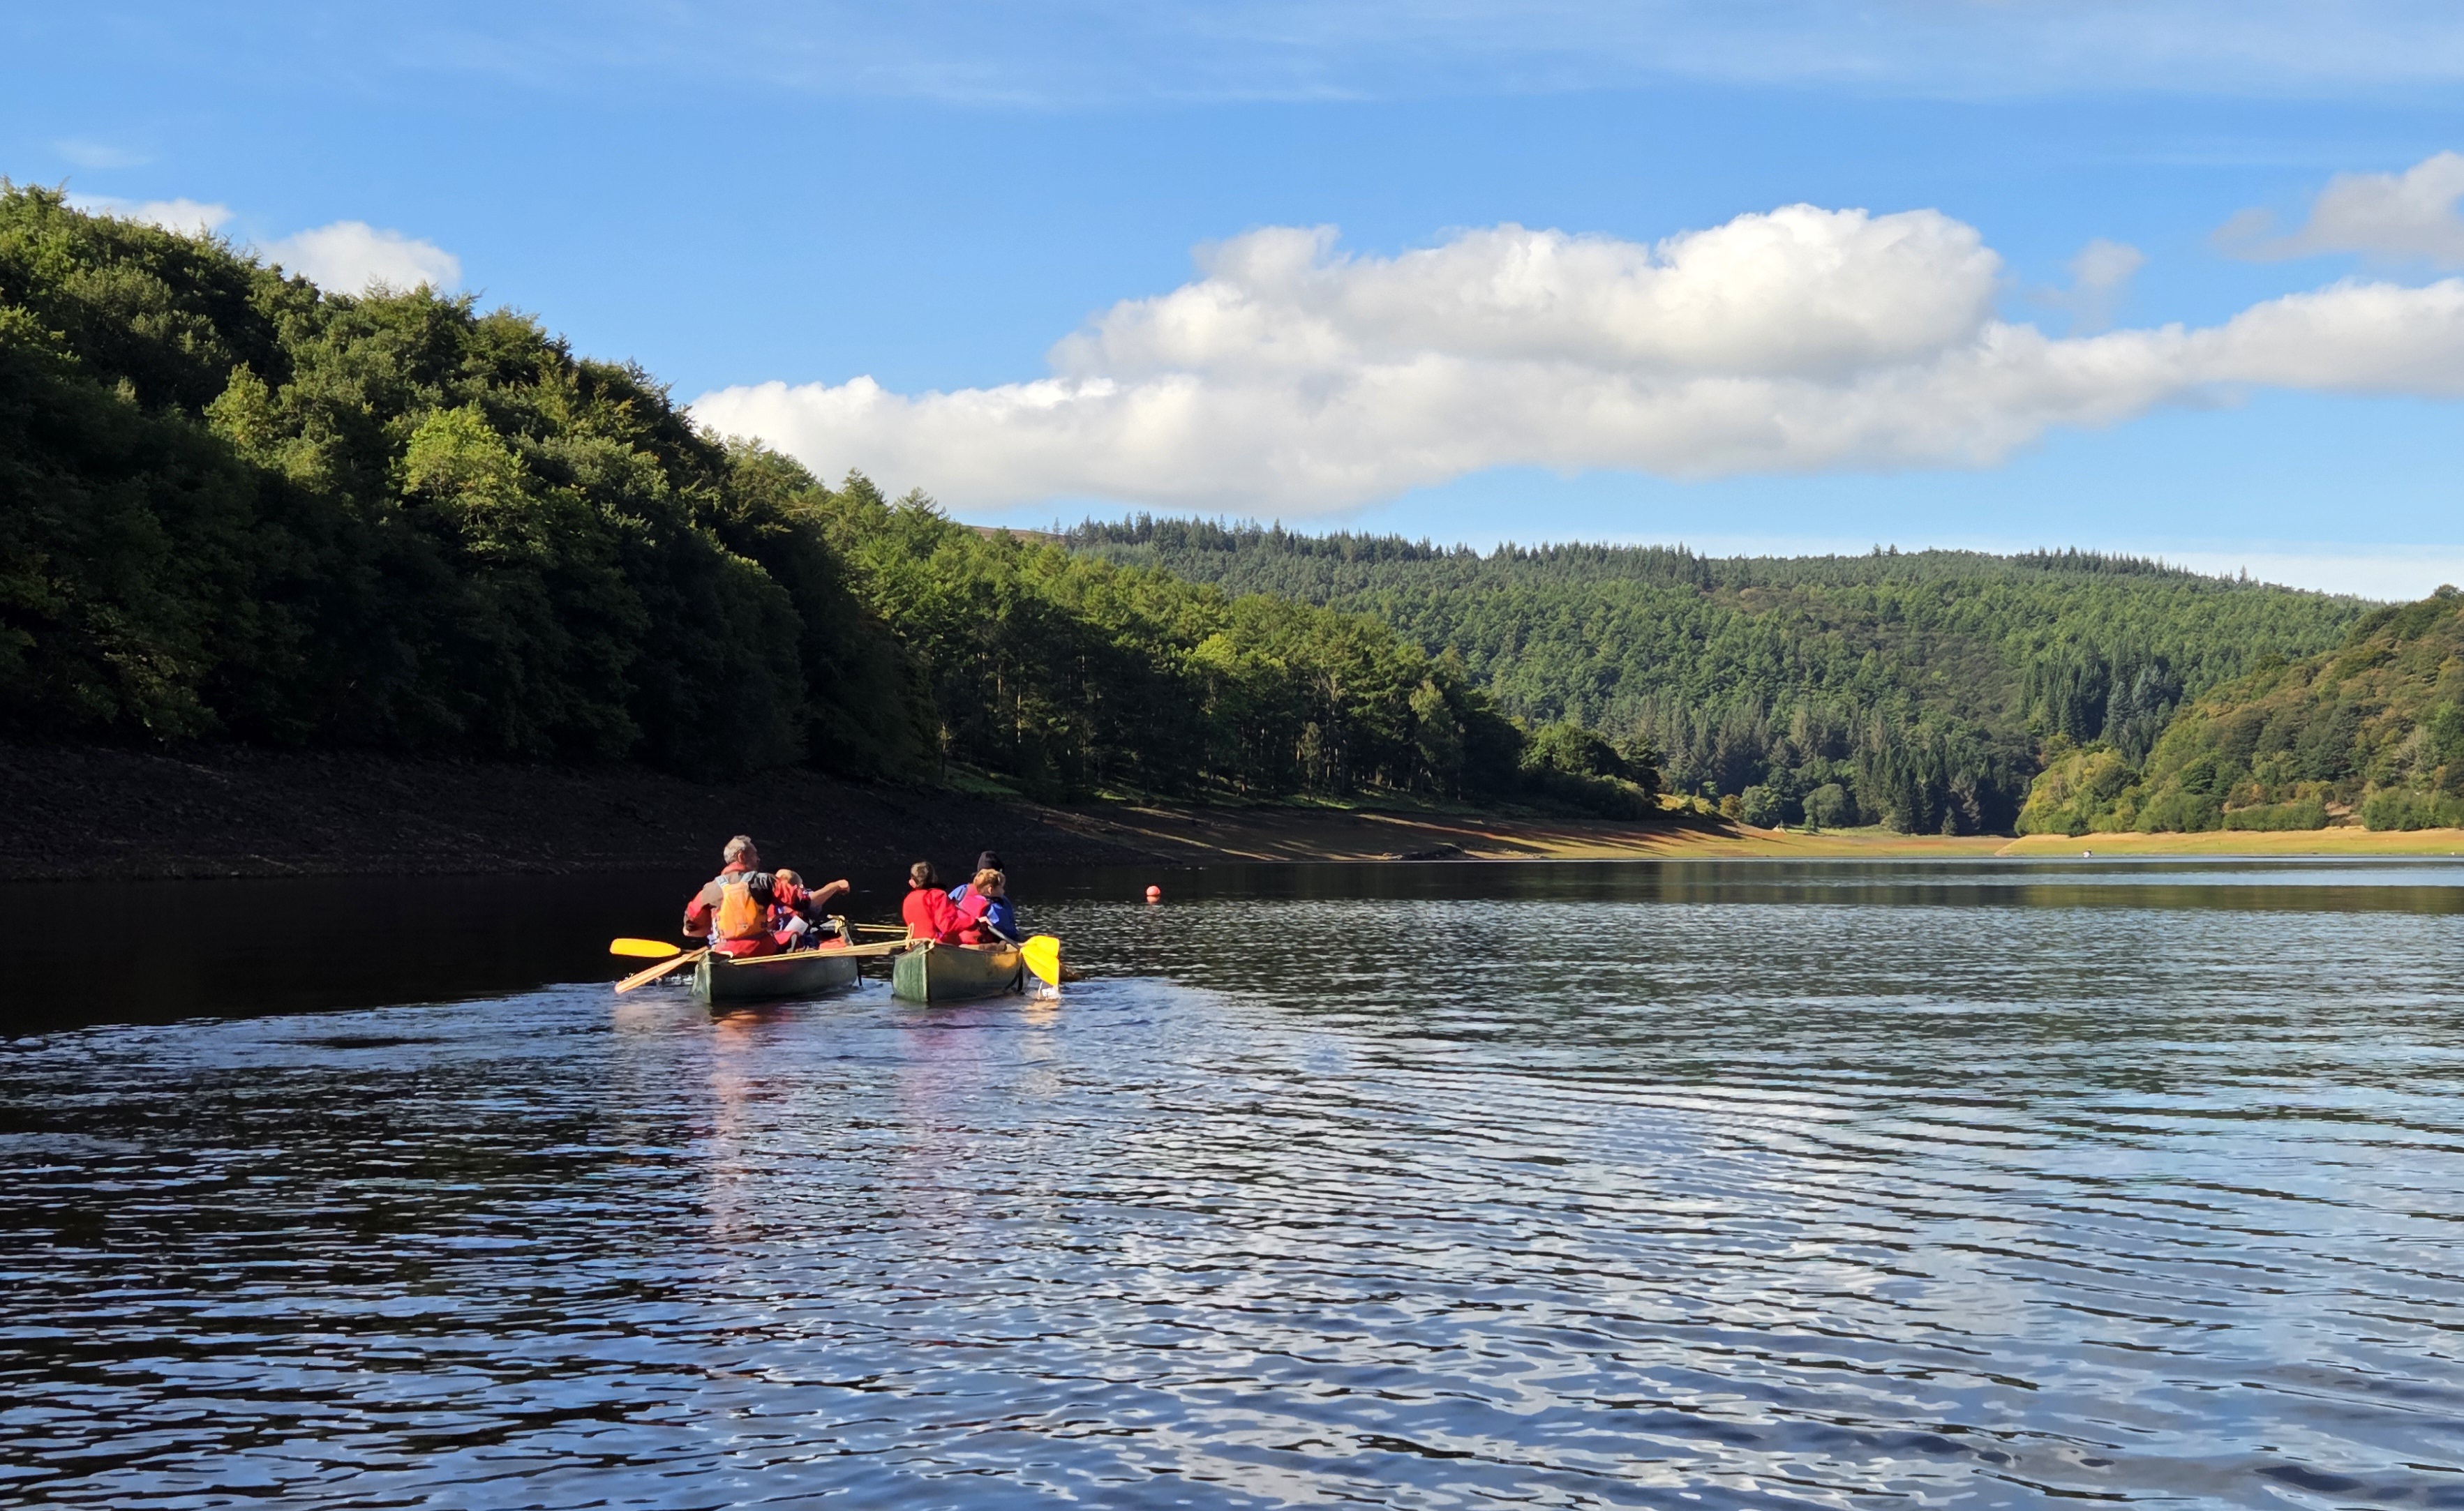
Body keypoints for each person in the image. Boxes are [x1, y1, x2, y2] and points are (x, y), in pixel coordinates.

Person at [770, 868, 853, 948]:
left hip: (788, 940)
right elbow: (812, 902)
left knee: (832, 927)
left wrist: (835, 886)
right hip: (779, 943)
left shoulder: (798, 895)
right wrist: (835, 886)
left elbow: (811, 901)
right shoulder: (768, 899)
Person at [901, 860, 966, 943]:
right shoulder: (938, 895)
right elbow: (947, 926)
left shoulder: (908, 898)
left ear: (913, 881)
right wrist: (971, 922)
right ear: (934, 878)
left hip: (916, 943)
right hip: (937, 944)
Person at [955, 869, 1018, 945]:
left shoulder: (965, 902)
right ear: (990, 890)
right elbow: (1009, 931)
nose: (1003, 891)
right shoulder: (994, 908)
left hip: (962, 941)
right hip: (981, 942)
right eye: (1001, 887)